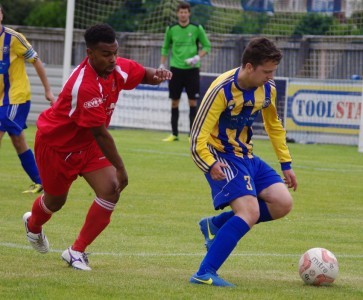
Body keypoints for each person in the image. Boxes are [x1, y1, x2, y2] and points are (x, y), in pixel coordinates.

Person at [22, 24, 172, 271]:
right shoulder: (84, 86)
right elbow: (101, 133)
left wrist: (158, 75)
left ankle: (76, 251)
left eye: (115, 52)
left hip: (87, 146)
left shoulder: (116, 66)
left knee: (111, 190)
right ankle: (34, 225)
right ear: (90, 53)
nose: (113, 59)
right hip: (58, 147)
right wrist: (121, 167)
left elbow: (144, 73)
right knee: (55, 202)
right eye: (106, 54)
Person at [189, 37, 298, 287]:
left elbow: (274, 125)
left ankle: (214, 225)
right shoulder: (221, 90)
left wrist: (286, 163)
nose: (270, 77)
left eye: (273, 72)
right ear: (249, 67)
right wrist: (209, 163)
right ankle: (205, 272)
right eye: (266, 71)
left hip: (247, 156)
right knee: (250, 211)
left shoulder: (267, 89)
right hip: (220, 156)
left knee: (283, 203)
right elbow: (197, 136)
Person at [0, 4, 55, 193]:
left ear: (1, 15)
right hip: (2, 100)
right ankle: (42, 181)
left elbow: (36, 60)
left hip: (16, 96)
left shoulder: (13, 38)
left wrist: (48, 90)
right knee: (18, 141)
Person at [160, 1, 211, 142]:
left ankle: (192, 135)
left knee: (192, 102)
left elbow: (207, 46)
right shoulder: (171, 29)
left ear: (189, 13)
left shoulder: (196, 28)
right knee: (174, 102)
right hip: (175, 69)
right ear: (177, 13)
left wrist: (196, 57)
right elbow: (165, 47)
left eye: (185, 12)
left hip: (192, 70)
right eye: (180, 12)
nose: (183, 14)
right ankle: (174, 134)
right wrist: (162, 64)